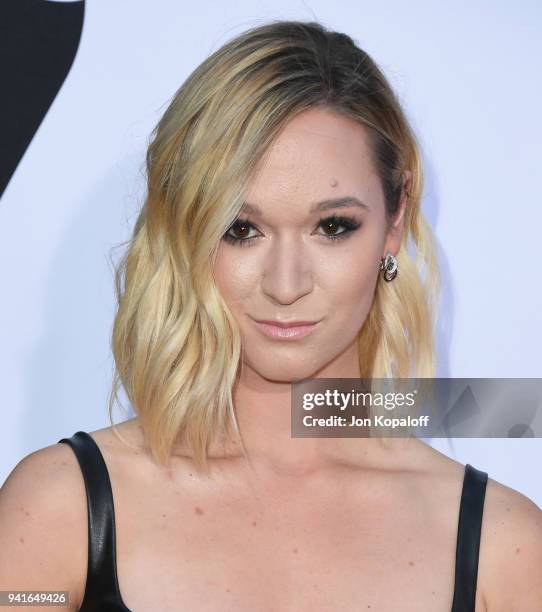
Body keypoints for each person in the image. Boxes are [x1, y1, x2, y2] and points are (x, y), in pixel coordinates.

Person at [1, 19, 541, 612]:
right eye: (242, 229)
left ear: (395, 220)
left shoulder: (505, 547)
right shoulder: (60, 511)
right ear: (187, 228)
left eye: (333, 227)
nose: (287, 285)